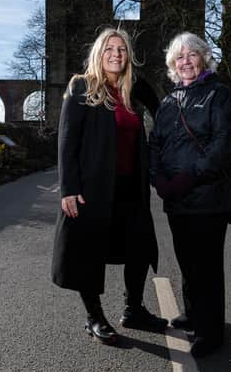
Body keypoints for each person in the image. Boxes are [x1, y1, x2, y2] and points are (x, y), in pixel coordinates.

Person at [51, 28, 166, 346]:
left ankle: (133, 309)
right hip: (92, 187)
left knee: (140, 247)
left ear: (129, 55)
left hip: (131, 186)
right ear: (99, 54)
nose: (116, 54)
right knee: (88, 251)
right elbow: (67, 140)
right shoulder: (82, 86)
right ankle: (95, 317)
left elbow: (165, 115)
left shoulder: (135, 88)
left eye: (122, 49)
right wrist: (68, 188)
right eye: (109, 49)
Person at [149, 32, 231, 358]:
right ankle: (192, 312)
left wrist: (189, 176)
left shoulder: (219, 95)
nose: (186, 61)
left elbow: (221, 146)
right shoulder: (169, 102)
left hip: (208, 197)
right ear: (173, 64)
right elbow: (155, 143)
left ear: (203, 57)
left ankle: (211, 331)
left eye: (192, 55)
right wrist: (158, 177)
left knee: (207, 266)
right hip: (177, 199)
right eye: (179, 57)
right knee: (187, 260)